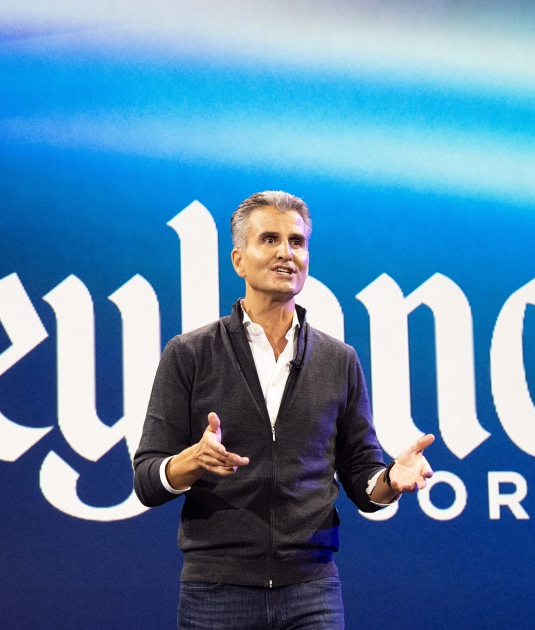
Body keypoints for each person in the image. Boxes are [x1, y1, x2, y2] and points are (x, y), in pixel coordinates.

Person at [133, 191, 435, 630]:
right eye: (270, 239)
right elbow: (147, 479)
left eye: (297, 242)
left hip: (311, 592)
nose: (286, 253)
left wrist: (390, 479)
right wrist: (191, 462)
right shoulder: (190, 354)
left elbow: (361, 474)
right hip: (216, 592)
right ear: (238, 260)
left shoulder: (339, 360)